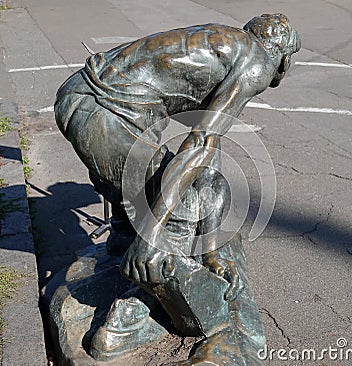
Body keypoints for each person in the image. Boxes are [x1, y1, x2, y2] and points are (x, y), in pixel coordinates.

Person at [55, 13, 300, 300]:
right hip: (103, 113)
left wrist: (210, 249)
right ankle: (134, 313)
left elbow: (208, 147)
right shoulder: (258, 63)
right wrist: (152, 234)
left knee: (184, 182)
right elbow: (200, 144)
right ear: (283, 59)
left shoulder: (228, 42)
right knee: (179, 208)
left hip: (83, 93)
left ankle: (123, 239)